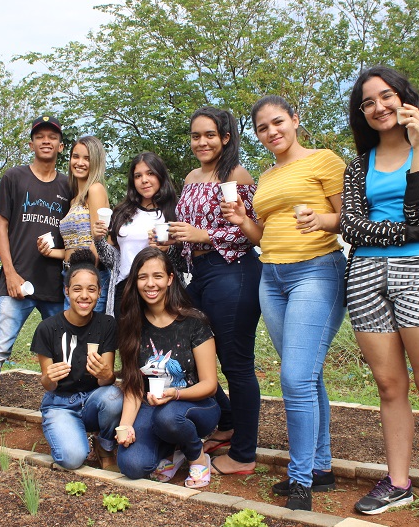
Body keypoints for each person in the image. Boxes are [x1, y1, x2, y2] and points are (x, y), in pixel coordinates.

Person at [342, 66, 419, 527]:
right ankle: (398, 483)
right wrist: (417, 230)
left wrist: (416, 149)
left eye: (386, 96)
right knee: (390, 386)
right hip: (365, 275)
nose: (379, 107)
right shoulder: (359, 164)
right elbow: (353, 228)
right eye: (368, 102)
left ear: (404, 99)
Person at [221, 96, 347, 511]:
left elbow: (348, 218)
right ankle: (321, 467)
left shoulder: (324, 161)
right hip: (271, 276)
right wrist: (242, 220)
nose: (272, 132)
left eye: (278, 122)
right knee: (306, 375)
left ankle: (300, 481)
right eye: (262, 128)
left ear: (295, 120)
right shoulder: (267, 175)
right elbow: (264, 234)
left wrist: (320, 220)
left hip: (316, 270)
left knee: (294, 378)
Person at [168, 106, 262, 477]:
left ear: (226, 138)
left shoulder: (237, 175)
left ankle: (244, 453)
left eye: (210, 135)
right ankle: (226, 421)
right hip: (199, 272)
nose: (202, 142)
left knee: (235, 362)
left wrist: (203, 235)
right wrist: (171, 242)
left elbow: (254, 228)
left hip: (234, 270)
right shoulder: (192, 176)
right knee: (191, 352)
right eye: (196, 136)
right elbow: (187, 230)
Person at [0, 116, 71, 446]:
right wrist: (9, 273)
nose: (45, 141)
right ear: (31, 144)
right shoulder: (15, 177)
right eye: (39, 136)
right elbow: (0, 227)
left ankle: (59, 414)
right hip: (18, 283)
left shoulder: (68, 185)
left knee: (63, 353)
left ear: (60, 146)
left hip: (55, 286)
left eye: (52, 137)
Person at [115, 247, 220, 488]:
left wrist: (176, 393)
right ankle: (175, 449)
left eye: (158, 276)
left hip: (196, 406)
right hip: (153, 407)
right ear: (135, 282)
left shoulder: (194, 322)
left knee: (169, 417)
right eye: (143, 277)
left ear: (170, 279)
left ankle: (196, 454)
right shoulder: (131, 325)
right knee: (132, 465)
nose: (150, 284)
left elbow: (210, 385)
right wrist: (126, 425)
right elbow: (132, 385)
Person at [31, 249, 122, 470]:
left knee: (114, 397)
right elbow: (47, 384)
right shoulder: (48, 328)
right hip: (60, 404)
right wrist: (49, 378)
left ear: (99, 292)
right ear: (67, 291)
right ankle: (68, 430)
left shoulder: (107, 325)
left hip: (93, 400)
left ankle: (104, 444)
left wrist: (106, 374)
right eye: (77, 289)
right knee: (72, 459)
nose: (84, 296)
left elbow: (107, 381)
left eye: (91, 289)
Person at [92, 151, 179, 316]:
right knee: (125, 341)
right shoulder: (122, 212)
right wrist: (98, 240)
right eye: (138, 176)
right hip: (126, 289)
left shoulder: (175, 211)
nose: (144, 180)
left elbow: (185, 261)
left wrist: (168, 250)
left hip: (161, 291)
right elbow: (112, 260)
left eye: (150, 173)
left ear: (161, 176)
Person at [40, 136, 111, 312]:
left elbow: (98, 240)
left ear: (96, 161)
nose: (79, 162)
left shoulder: (95, 189)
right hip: (71, 275)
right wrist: (49, 252)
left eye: (87, 158)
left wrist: (87, 277)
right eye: (75, 156)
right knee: (72, 336)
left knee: (88, 335)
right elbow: (75, 247)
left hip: (89, 277)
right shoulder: (74, 200)